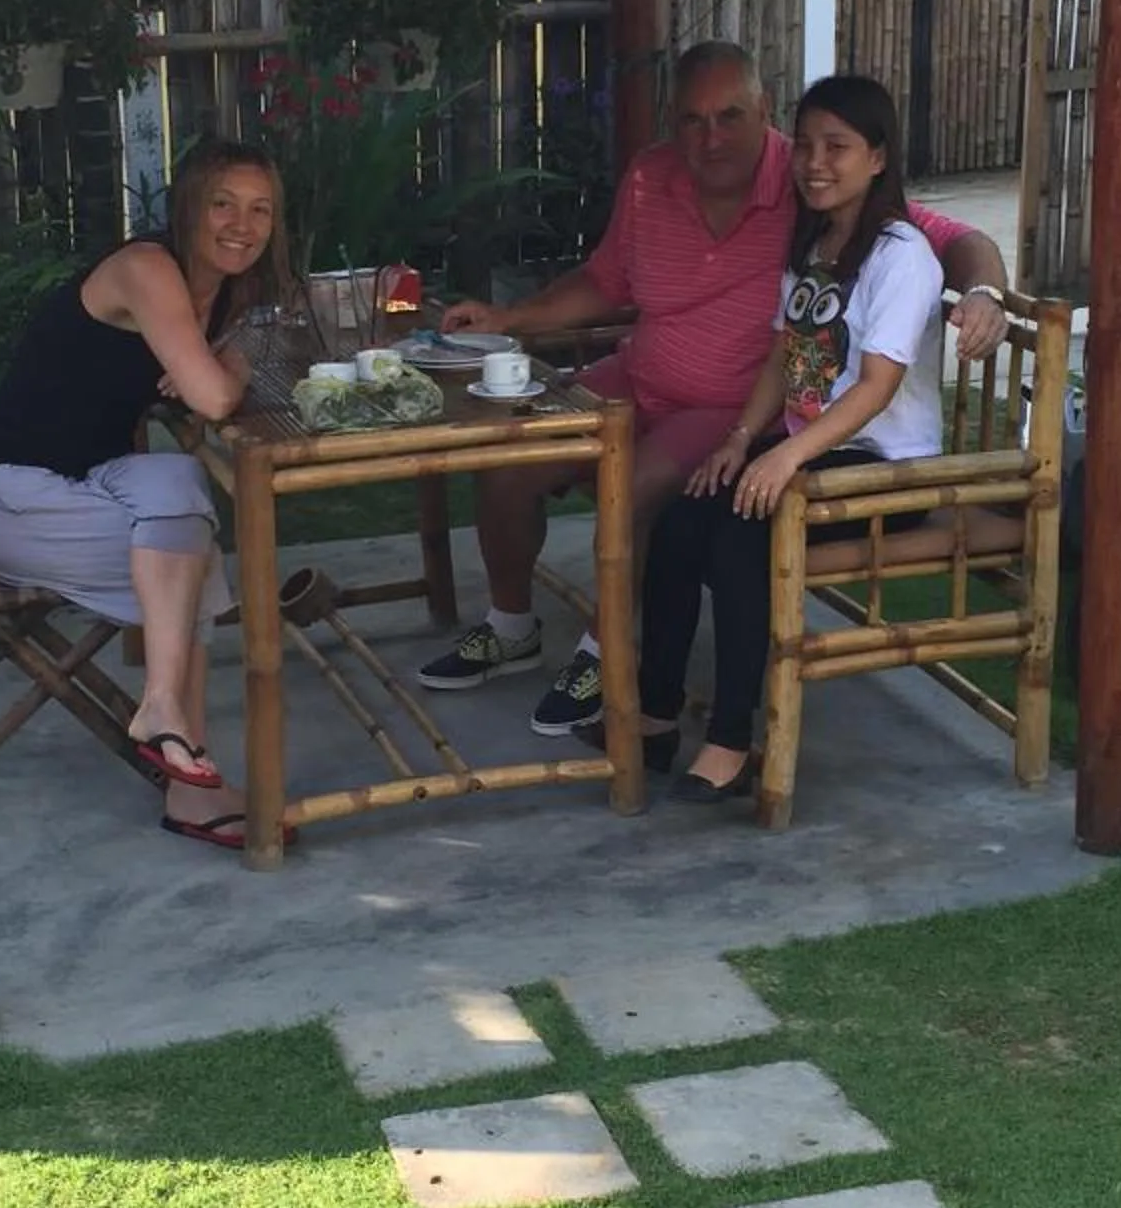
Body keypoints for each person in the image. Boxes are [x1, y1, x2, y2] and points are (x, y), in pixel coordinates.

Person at [417, 42, 1011, 732]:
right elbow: (606, 281)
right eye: (692, 120)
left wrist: (986, 291)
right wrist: (509, 318)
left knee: (634, 487)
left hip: (729, 405)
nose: (710, 137)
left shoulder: (813, 180)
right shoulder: (653, 176)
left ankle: (604, 651)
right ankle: (511, 625)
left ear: (763, 112)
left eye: (730, 116)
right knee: (509, 458)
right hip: (639, 376)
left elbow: (950, 236)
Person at [0, 139, 285, 852]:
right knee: (196, 556)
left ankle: (165, 720)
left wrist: (224, 356)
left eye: (260, 210)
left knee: (181, 485)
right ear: (187, 207)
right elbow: (213, 398)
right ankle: (188, 782)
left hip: (91, 480)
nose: (241, 224)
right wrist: (222, 364)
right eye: (223, 203)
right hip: (8, 493)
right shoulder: (146, 269)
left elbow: (233, 369)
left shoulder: (225, 292)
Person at [624, 73, 944, 801]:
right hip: (812, 457)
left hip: (887, 473)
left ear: (879, 158)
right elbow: (783, 352)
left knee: (740, 534)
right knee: (678, 520)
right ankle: (655, 713)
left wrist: (786, 456)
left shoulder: (902, 256)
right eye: (802, 146)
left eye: (838, 147)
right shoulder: (817, 241)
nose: (814, 163)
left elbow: (875, 387)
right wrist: (742, 439)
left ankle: (735, 739)